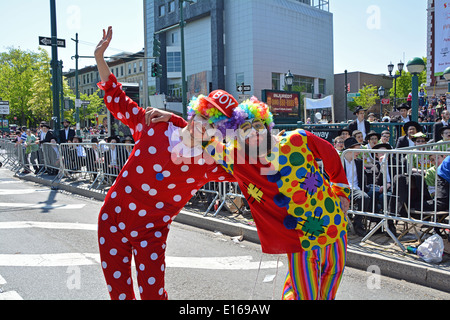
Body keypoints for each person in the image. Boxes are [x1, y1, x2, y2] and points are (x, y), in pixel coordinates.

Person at [146, 97, 351, 301]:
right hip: (300, 241)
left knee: (328, 291)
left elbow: (329, 153)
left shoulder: (298, 139)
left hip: (335, 227)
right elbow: (204, 136)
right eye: (245, 128)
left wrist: (341, 190)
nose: (253, 131)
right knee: (305, 295)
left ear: (267, 124)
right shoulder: (237, 159)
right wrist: (175, 120)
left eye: (257, 124)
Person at [94, 26, 236, 300]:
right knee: (120, 296)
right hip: (112, 220)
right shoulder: (153, 125)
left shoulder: (210, 163)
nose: (205, 127)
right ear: (196, 112)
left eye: (216, 126)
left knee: (153, 296)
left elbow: (252, 166)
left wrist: (177, 120)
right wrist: (101, 58)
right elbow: (118, 102)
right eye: (204, 117)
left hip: (152, 232)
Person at [341, 137, 370, 237]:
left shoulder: (359, 162)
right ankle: (358, 225)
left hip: (357, 188)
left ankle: (377, 224)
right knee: (364, 197)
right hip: (344, 189)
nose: (359, 152)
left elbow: (362, 179)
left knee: (374, 195)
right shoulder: (340, 161)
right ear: (349, 149)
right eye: (356, 149)